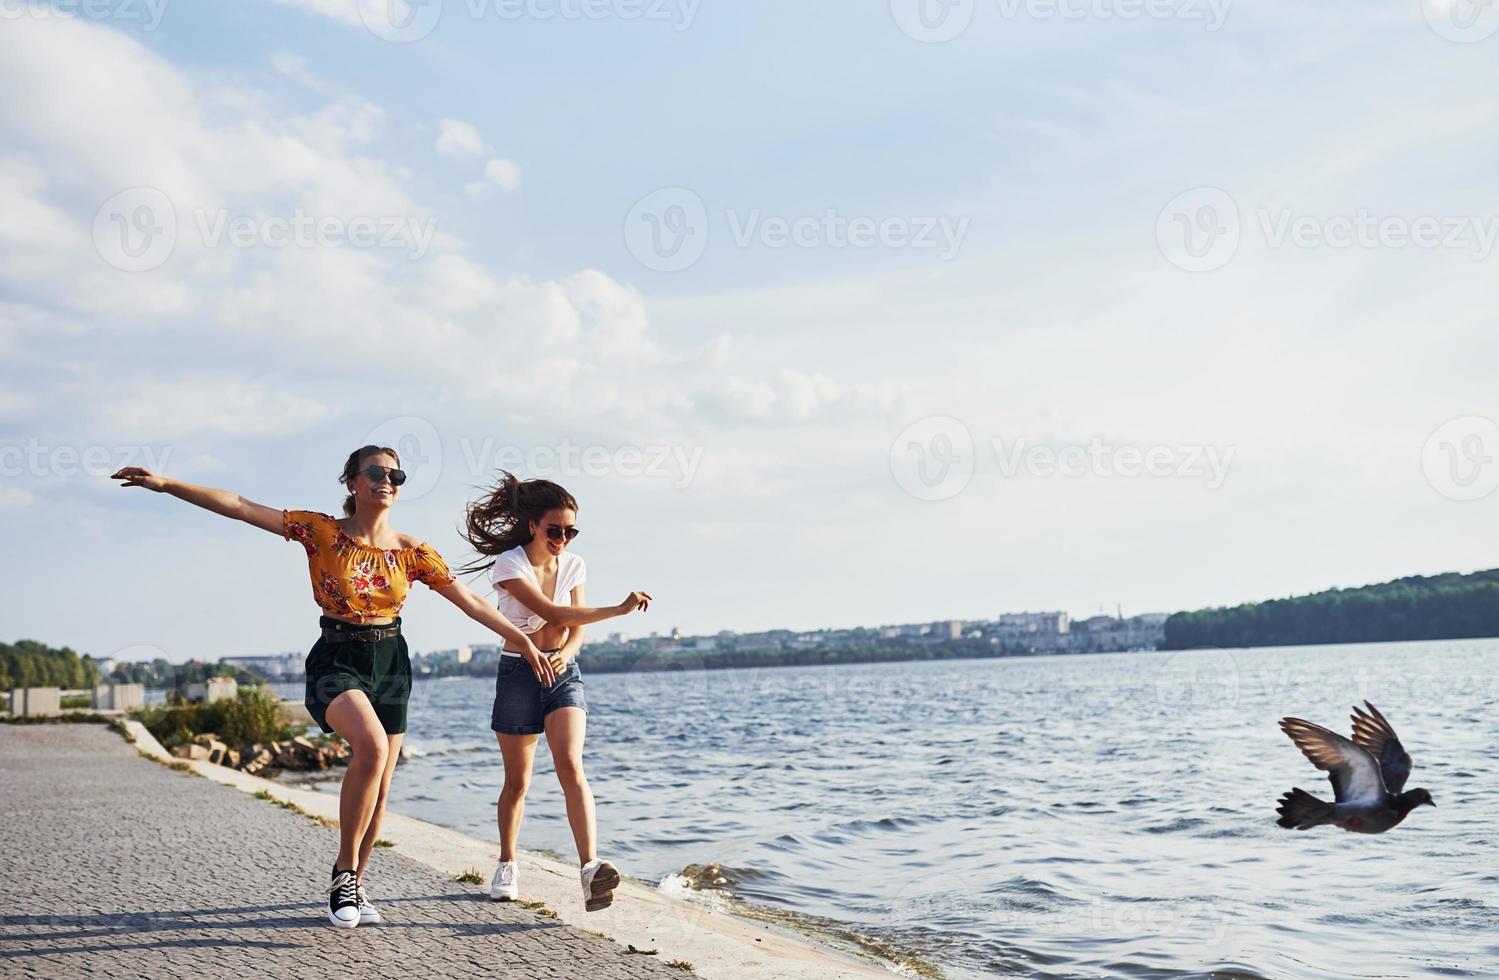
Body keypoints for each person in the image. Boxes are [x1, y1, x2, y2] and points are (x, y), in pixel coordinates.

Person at [111, 445, 549, 929]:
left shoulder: (413, 552)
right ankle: (343, 873)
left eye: (396, 474)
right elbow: (239, 505)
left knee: (381, 787)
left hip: (391, 661)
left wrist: (523, 642)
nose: (388, 480)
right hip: (337, 657)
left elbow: (471, 602)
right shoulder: (320, 531)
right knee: (372, 747)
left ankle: (357, 886)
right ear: (352, 483)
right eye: (377, 473)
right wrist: (167, 484)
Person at [460, 472, 650, 911]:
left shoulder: (575, 565)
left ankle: (589, 869)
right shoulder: (509, 565)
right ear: (533, 526)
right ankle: (507, 862)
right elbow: (551, 610)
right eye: (555, 530)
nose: (563, 538)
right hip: (518, 674)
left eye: (570, 531)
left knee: (570, 764)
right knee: (518, 782)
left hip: (563, 673)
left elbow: (574, 625)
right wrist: (620, 609)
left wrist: (567, 650)